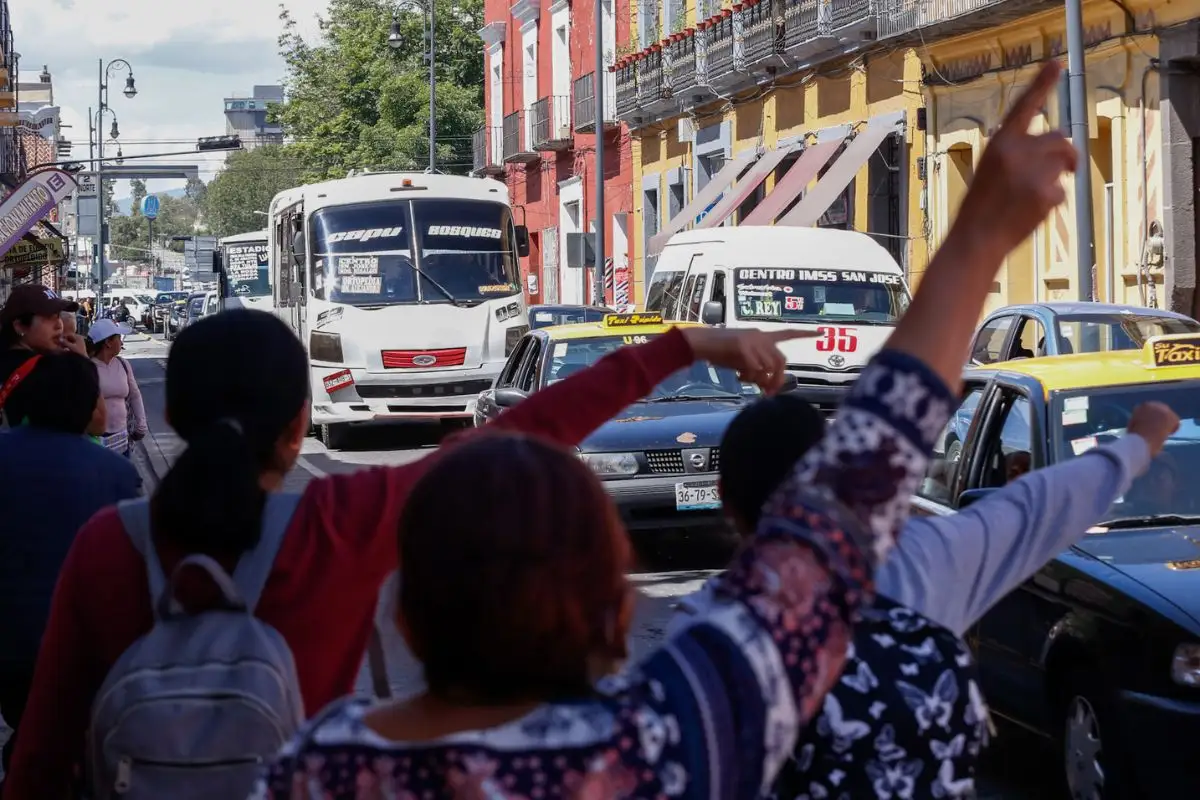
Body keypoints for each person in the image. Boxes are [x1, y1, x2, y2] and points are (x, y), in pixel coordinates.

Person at [249, 62, 1079, 796]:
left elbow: (842, 506)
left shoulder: (316, 767)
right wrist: (977, 242)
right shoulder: (656, 741)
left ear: (403, 619)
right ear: (614, 612)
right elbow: (839, 512)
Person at [5, 309, 809, 797]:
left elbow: (39, 758)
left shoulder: (108, 544)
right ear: (298, 427)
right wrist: (687, 345)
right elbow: (524, 435)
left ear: (171, 409)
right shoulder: (343, 521)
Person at [671, 392, 1173, 798]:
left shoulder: (701, 636)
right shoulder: (920, 562)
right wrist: (1136, 445)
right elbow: (1036, 507)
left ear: (724, 497)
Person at [0, 352, 141, 774]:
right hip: (80, 644)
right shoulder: (114, 473)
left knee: (29, 726)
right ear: (83, 404)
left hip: (9, 642)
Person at [0, 285, 86, 388]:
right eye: (49, 317)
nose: (59, 325)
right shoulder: (48, 372)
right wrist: (84, 362)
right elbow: (93, 401)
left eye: (58, 316)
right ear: (20, 326)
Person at [87, 318, 148, 456]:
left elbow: (135, 395)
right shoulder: (88, 368)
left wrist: (141, 424)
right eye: (118, 337)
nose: (121, 342)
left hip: (122, 437)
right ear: (108, 342)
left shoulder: (123, 364)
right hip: (96, 440)